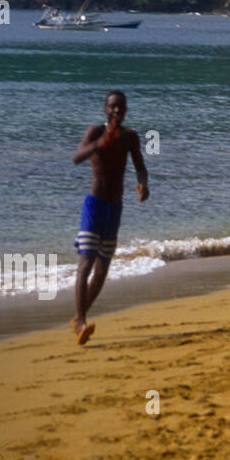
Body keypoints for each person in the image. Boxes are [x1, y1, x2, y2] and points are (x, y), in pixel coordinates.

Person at [70, 90, 149, 346]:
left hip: (115, 208)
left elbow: (140, 166)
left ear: (125, 111)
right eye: (113, 107)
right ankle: (81, 322)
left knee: (102, 270)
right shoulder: (94, 132)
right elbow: (77, 157)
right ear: (105, 109)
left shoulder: (130, 137)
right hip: (94, 205)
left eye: (121, 107)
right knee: (86, 263)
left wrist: (142, 184)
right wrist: (99, 144)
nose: (117, 111)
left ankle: (79, 318)